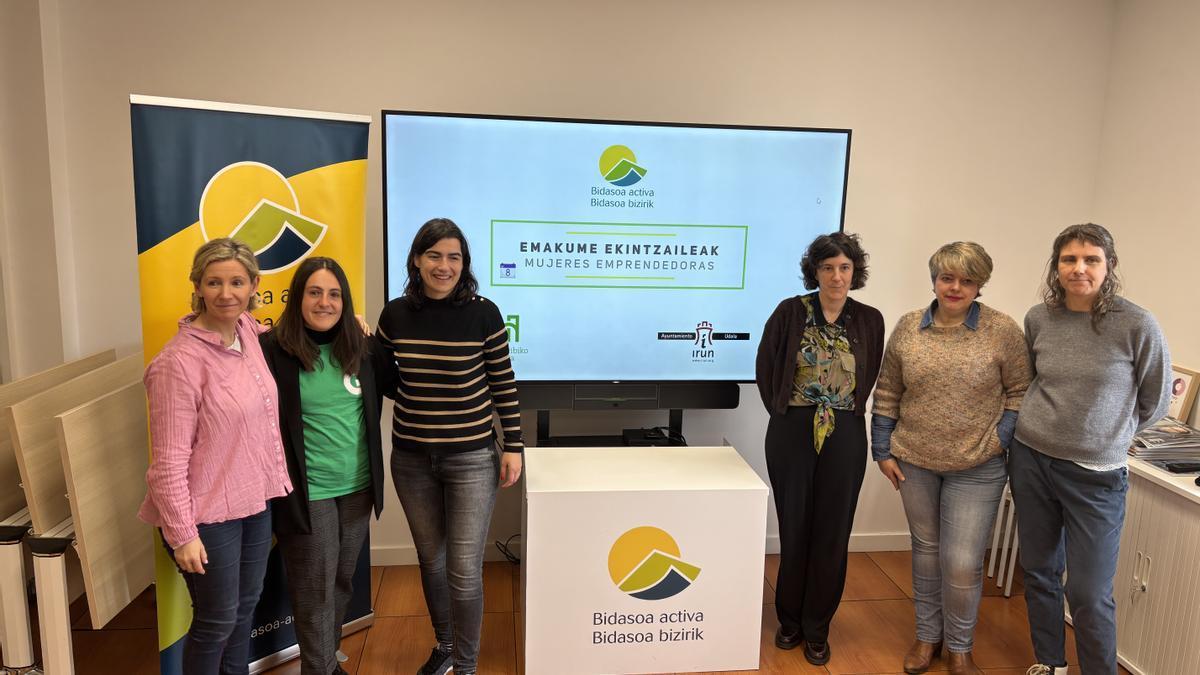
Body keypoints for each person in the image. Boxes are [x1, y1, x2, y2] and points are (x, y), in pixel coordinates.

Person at [1011, 223, 1170, 675]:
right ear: (1056, 266)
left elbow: (1155, 400)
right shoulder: (1038, 318)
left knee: (1087, 591)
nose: (1079, 269)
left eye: (1091, 259)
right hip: (1031, 457)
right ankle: (1050, 663)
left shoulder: (1137, 324)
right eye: (1069, 259)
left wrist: (1109, 431)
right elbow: (1031, 380)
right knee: (1039, 572)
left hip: (1096, 474)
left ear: (1109, 266)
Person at [870, 242, 1031, 675]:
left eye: (967, 280)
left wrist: (999, 439)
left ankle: (960, 647)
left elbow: (1020, 391)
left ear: (980, 286)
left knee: (961, 562)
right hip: (914, 460)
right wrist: (881, 450)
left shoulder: (1002, 330)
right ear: (935, 279)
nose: (955, 287)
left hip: (979, 464)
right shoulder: (908, 327)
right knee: (925, 552)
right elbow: (887, 392)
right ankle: (927, 639)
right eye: (947, 277)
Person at [375, 217, 524, 675]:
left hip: (473, 459)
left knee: (463, 569)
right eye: (434, 255)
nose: (444, 266)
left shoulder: (484, 313)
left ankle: (466, 664)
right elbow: (385, 379)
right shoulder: (395, 314)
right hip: (412, 459)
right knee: (431, 561)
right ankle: (444, 646)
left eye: (454, 257)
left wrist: (513, 445)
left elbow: (503, 383)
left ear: (465, 263)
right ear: (417, 260)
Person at [138, 237, 292, 674]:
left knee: (244, 610)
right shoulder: (178, 363)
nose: (226, 293)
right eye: (214, 282)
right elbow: (166, 464)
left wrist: (346, 323)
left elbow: (283, 334)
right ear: (198, 287)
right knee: (217, 620)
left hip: (254, 503)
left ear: (253, 286)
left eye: (237, 282)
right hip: (206, 516)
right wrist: (183, 533)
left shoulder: (247, 331)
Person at [260, 257, 397, 675]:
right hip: (307, 492)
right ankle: (317, 670)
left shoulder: (361, 347)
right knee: (315, 589)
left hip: (356, 487)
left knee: (340, 580)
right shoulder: (272, 350)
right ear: (298, 298)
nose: (325, 302)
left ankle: (326, 662)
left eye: (334, 294)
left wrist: (374, 334)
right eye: (315, 293)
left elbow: (394, 383)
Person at [755, 231, 885, 666]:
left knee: (832, 532)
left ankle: (817, 628)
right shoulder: (790, 312)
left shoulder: (869, 319)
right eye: (827, 267)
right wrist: (788, 413)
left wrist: (842, 412)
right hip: (792, 428)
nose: (836, 275)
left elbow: (868, 375)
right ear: (814, 270)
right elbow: (766, 366)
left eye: (844, 267)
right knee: (795, 526)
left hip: (845, 430)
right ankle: (789, 621)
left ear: (855, 273)